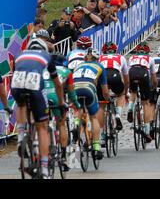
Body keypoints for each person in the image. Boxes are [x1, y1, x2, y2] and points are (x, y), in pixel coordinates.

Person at [11, 38, 66, 179]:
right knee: (42, 127)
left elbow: (17, 73)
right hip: (35, 84)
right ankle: (44, 168)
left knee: (21, 104)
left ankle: (21, 136)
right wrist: (61, 104)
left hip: (17, 83)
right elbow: (58, 85)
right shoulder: (46, 56)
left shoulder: (19, 55)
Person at [43, 53, 80, 171]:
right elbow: (71, 93)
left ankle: (44, 155)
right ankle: (63, 157)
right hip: (55, 97)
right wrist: (76, 104)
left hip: (42, 97)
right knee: (62, 125)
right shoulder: (67, 71)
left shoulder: (43, 69)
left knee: (42, 125)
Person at [72, 48, 108, 161]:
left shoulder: (77, 66)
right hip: (89, 89)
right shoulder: (100, 66)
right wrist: (107, 99)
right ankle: (96, 146)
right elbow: (105, 91)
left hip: (75, 89)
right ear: (97, 59)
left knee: (79, 107)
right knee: (93, 118)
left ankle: (76, 124)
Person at [127, 43, 158, 142]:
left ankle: (130, 108)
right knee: (146, 103)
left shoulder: (132, 58)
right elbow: (153, 77)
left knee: (133, 92)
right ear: (147, 52)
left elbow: (127, 72)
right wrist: (155, 87)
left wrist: (128, 87)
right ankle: (147, 131)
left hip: (132, 72)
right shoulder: (150, 59)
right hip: (144, 74)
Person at [99, 42, 130, 132]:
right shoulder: (121, 58)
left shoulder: (99, 58)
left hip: (103, 78)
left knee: (101, 104)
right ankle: (118, 115)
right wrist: (125, 91)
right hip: (115, 76)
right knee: (120, 94)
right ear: (115, 50)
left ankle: (102, 134)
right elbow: (126, 79)